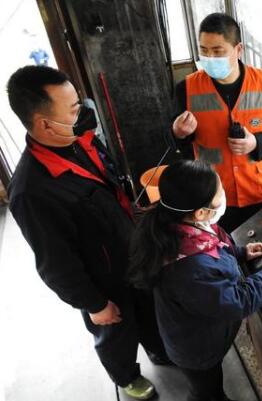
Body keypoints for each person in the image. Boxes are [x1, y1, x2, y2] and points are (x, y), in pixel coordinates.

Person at [6, 65, 169, 400]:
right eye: (73, 109)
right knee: (115, 332)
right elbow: (55, 264)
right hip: (103, 280)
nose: (81, 114)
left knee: (148, 310)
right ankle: (126, 377)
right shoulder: (31, 192)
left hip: (132, 251)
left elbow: (112, 187)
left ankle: (157, 348)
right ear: (44, 124)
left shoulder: (81, 141)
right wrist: (94, 304)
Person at [128, 159, 262, 401]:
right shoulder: (189, 270)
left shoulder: (182, 224)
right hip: (196, 350)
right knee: (207, 392)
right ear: (201, 211)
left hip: (198, 331)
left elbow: (215, 248)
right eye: (220, 194)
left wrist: (241, 252)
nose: (223, 196)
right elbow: (237, 302)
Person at [171, 13, 262, 233]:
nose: (210, 58)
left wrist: (256, 143)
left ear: (238, 50)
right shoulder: (186, 89)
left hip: (259, 191)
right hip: (214, 197)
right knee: (223, 249)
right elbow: (178, 143)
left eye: (218, 51)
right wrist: (178, 132)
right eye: (204, 51)